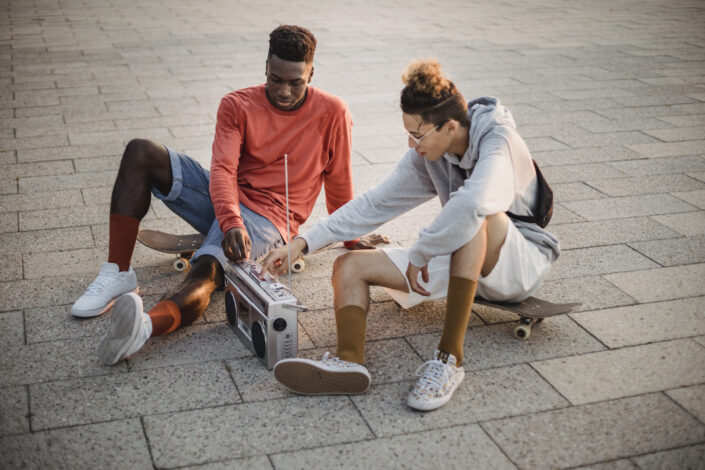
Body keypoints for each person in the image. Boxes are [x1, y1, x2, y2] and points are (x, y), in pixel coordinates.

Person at [71, 25, 387, 365]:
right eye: (276, 78)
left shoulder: (333, 112)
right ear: (265, 66)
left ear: (312, 73)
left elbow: (339, 182)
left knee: (206, 269)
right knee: (141, 151)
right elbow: (222, 170)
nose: (283, 90)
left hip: (269, 218)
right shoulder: (237, 104)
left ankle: (144, 328)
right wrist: (230, 219)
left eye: (296, 82)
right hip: (225, 198)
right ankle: (118, 274)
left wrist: (352, 239)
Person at [262, 59, 560, 411]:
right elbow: (376, 203)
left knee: (474, 215)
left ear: (450, 127)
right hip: (461, 259)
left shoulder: (499, 140)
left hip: (517, 260)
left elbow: (473, 204)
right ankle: (349, 362)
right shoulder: (430, 151)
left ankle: (448, 361)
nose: (411, 143)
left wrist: (421, 253)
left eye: (417, 134)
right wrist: (303, 242)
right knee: (349, 266)